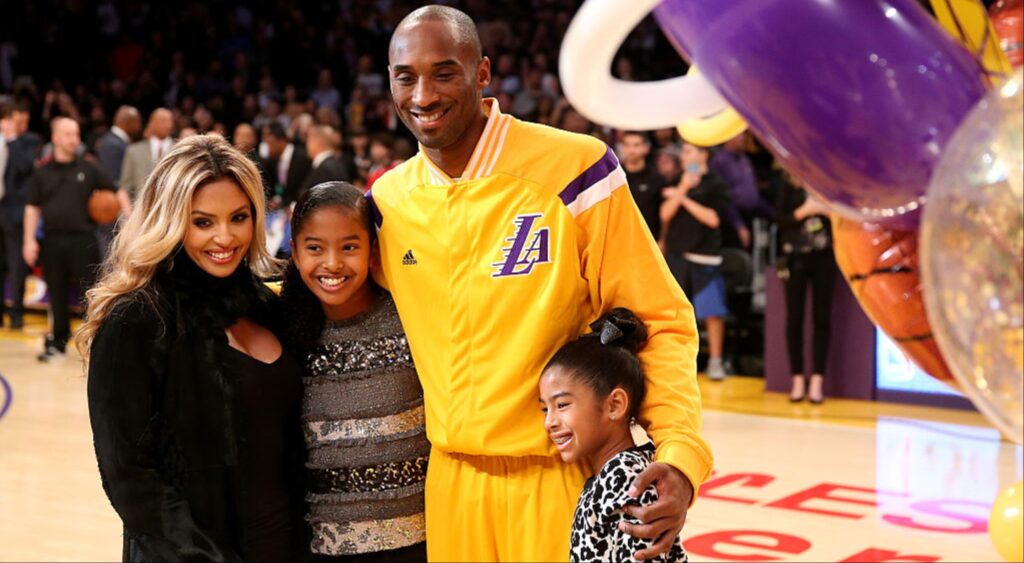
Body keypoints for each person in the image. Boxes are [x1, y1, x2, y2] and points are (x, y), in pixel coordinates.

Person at [370, 6, 712, 561]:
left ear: (483, 74)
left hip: (559, 477)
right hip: (450, 485)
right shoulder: (386, 202)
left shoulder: (576, 170)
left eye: (445, 72)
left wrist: (677, 453)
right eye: (405, 76)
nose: (424, 95)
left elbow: (659, 321)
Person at [76, 135, 307, 561]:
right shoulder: (136, 320)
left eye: (239, 217)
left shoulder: (267, 307)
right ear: (170, 221)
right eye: (203, 222)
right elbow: (130, 478)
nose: (225, 237)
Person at [280, 181, 428, 561]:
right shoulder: (283, 332)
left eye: (349, 247)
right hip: (326, 546)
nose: (332, 263)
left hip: (423, 538)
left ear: (372, 252)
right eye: (315, 248)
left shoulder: (408, 313)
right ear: (295, 253)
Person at [540, 309, 688, 563]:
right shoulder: (612, 474)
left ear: (615, 405)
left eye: (562, 405)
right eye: (545, 408)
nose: (549, 422)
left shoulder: (628, 481)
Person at [23, 117, 114, 361]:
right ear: (55, 138)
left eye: (76, 134)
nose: (74, 140)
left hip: (83, 240)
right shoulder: (42, 171)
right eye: (68, 134)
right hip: (52, 241)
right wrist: (29, 240)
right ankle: (58, 342)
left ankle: (98, 343)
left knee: (92, 294)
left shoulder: (89, 168)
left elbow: (116, 192)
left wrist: (129, 222)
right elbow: (32, 207)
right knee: (57, 293)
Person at [660, 143, 732, 382]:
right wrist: (682, 189)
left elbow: (712, 219)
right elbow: (665, 214)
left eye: (691, 151)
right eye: (684, 151)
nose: (685, 156)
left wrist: (684, 200)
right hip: (678, 256)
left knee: (712, 312)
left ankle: (715, 361)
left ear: (704, 155)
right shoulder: (677, 182)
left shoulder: (715, 184)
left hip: (705, 256)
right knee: (676, 313)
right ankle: (675, 362)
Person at [775, 173, 835, 404]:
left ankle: (818, 379)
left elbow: (842, 217)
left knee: (822, 318)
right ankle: (797, 379)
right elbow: (779, 220)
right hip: (795, 258)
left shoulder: (826, 181)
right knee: (794, 320)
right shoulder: (787, 183)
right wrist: (805, 210)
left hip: (824, 258)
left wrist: (824, 210)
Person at [0, 102, 40, 330]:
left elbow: (25, 166)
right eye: (17, 121)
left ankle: (16, 314)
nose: (21, 125)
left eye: (24, 121)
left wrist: (13, 139)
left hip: (15, 212)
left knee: (17, 266)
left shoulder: (28, 141)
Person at [117, 107, 174, 215]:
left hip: (172, 215)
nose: (168, 125)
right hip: (140, 215)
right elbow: (124, 188)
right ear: (152, 123)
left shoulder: (180, 150)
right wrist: (128, 217)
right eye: (163, 120)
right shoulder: (134, 151)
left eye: (170, 121)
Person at [618, 131, 666, 240]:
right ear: (621, 147)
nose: (631, 150)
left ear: (646, 148)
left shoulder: (656, 179)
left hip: (648, 240)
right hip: (618, 239)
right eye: (627, 145)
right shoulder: (613, 176)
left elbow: (663, 215)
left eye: (636, 145)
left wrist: (662, 240)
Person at [300, 125, 351, 198]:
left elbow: (320, 201)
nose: (306, 145)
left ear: (317, 142)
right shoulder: (336, 163)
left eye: (309, 141)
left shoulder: (325, 169)